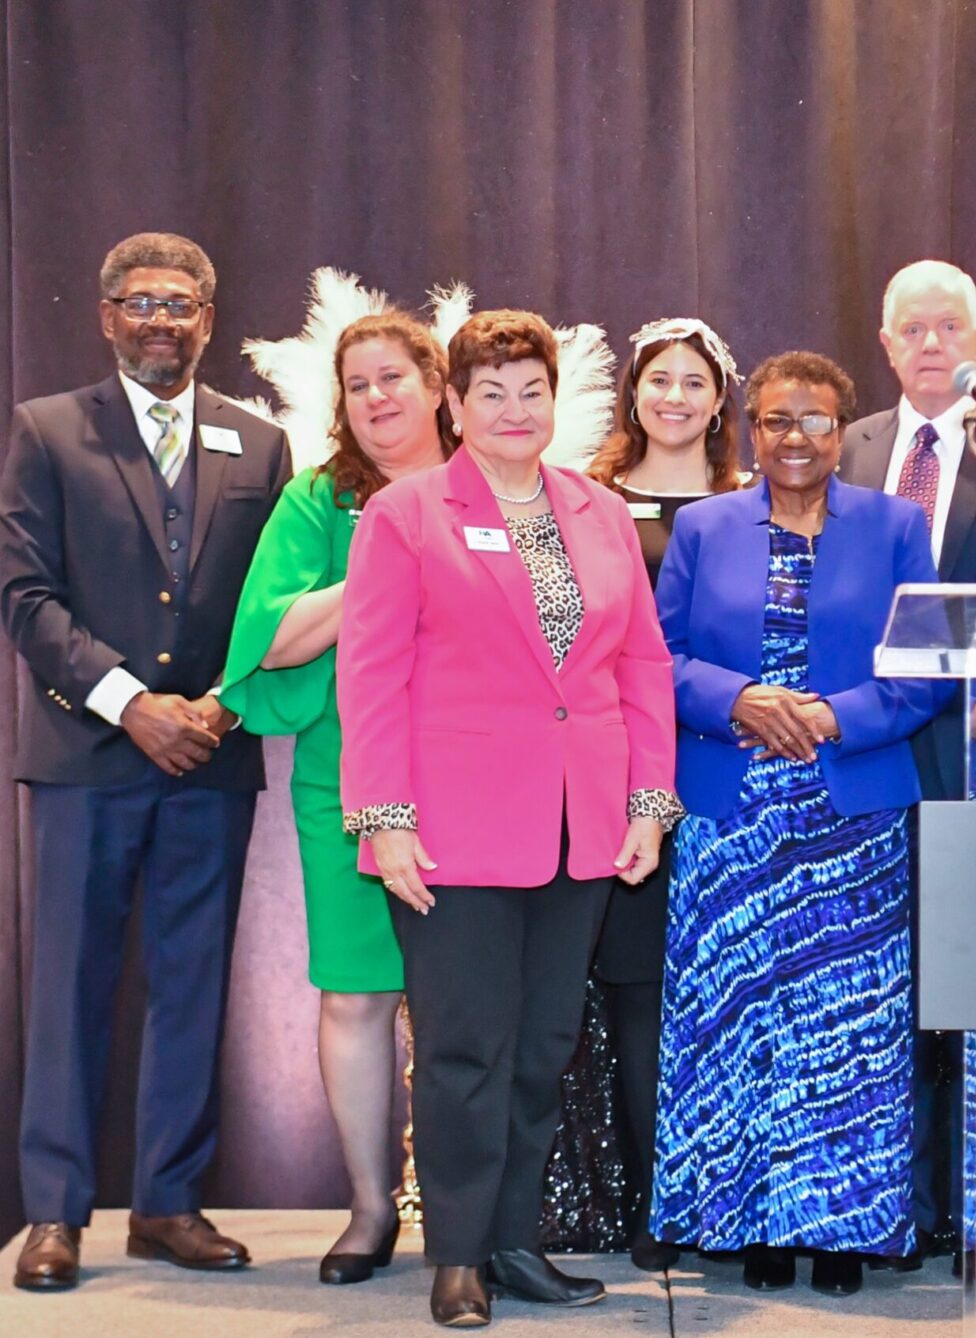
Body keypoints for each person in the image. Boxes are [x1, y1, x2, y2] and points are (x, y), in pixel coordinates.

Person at [338, 309, 677, 1328]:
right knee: (461, 1048)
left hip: (583, 829)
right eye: (491, 391)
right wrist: (383, 818)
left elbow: (640, 667)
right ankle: (457, 1255)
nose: (514, 410)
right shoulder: (407, 513)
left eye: (532, 390)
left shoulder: (600, 512)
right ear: (453, 403)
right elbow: (372, 676)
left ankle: (517, 1241)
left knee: (542, 1049)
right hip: (453, 830)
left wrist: (648, 803)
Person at [1, 233, 290, 1292]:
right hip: (88, 756)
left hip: (206, 761)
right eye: (141, 302)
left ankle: (168, 1202)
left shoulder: (259, 444)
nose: (162, 320)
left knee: (193, 984)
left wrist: (209, 710)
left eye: (182, 304)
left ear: (209, 320)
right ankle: (54, 1214)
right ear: (108, 315)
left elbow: (267, 607)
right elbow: (25, 596)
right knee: (70, 986)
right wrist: (133, 705)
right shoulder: (46, 431)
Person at [652, 351, 946, 1298]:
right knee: (736, 1021)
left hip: (850, 809)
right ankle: (748, 1226)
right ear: (750, 430)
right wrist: (738, 699)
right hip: (731, 810)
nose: (796, 439)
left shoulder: (897, 527)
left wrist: (830, 717)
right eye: (777, 420)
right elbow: (657, 657)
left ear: (844, 432)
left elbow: (926, 666)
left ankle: (842, 1230)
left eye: (816, 421)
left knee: (846, 1028)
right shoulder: (702, 527)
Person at [220, 311, 456, 1285]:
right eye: (356, 384)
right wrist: (383, 557)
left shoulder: (495, 486)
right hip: (349, 785)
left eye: (393, 376)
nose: (376, 398)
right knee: (357, 994)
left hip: (477, 785)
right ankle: (369, 1209)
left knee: (466, 1009)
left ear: (438, 385)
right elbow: (268, 639)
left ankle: (465, 1212)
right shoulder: (321, 502)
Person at [839, 259, 976, 1275]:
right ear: (884, 344)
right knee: (883, 999)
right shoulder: (842, 452)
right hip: (869, 761)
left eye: (947, 327)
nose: (929, 343)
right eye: (909, 328)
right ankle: (893, 1207)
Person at [575, 315, 745, 1272]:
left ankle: (730, 1189)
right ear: (633, 392)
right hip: (615, 778)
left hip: (726, 780)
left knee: (717, 995)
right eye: (658, 380)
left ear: (719, 400)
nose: (674, 396)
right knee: (637, 995)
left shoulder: (758, 502)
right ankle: (656, 1205)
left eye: (693, 382)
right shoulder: (584, 501)